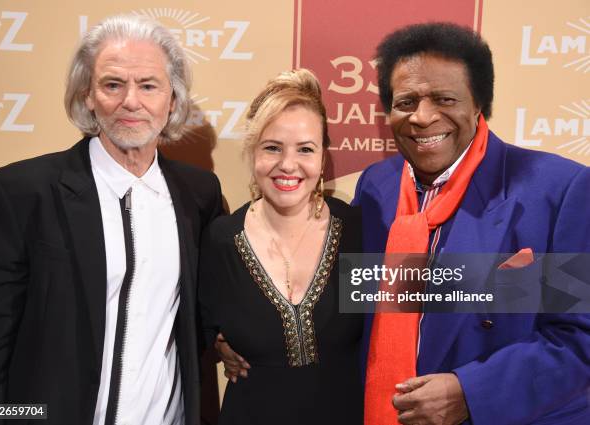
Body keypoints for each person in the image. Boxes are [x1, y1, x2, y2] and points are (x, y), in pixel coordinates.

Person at [0, 14, 222, 425]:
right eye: (113, 84)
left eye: (148, 86)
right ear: (88, 95)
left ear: (172, 100)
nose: (131, 101)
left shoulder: (199, 194)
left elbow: (207, 310)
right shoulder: (18, 193)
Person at [355, 23, 590, 425]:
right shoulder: (376, 187)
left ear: (479, 103)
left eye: (444, 99)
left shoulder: (559, 189)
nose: (423, 117)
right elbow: (356, 301)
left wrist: (472, 392)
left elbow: (579, 339)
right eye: (406, 101)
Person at [198, 69, 364, 425]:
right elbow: (195, 328)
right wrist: (219, 344)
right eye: (272, 147)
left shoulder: (355, 230)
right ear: (252, 152)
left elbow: (418, 310)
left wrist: (513, 282)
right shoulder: (220, 240)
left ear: (322, 158)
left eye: (305, 149)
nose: (288, 165)